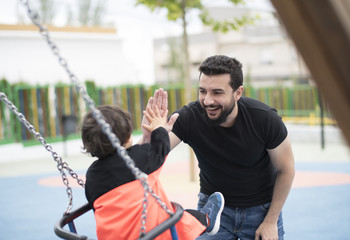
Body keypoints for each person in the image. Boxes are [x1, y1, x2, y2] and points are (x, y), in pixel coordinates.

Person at [142, 55, 295, 240]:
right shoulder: (189, 117)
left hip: (261, 210)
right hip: (213, 210)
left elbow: (286, 170)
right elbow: (149, 158)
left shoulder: (264, 119)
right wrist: (149, 137)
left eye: (217, 92)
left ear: (238, 93)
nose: (207, 100)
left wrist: (270, 221)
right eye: (202, 91)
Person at [81, 105, 225, 240]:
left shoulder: (92, 175)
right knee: (181, 216)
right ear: (127, 136)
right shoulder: (141, 159)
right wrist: (158, 128)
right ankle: (207, 219)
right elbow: (161, 147)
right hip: (152, 234)